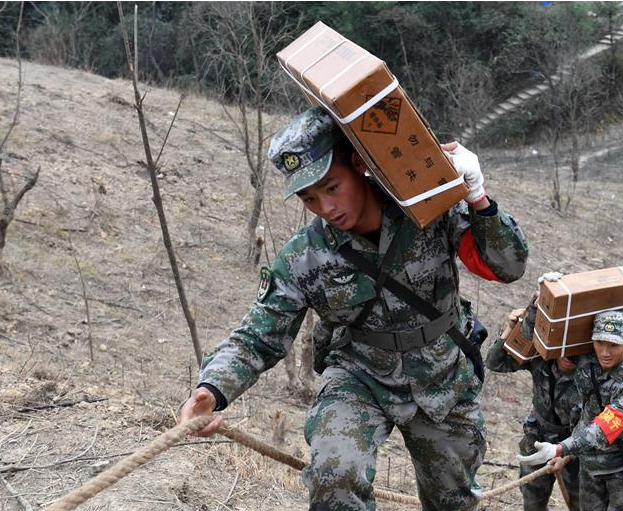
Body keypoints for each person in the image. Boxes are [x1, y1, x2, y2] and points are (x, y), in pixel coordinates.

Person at [178, 106, 529, 511]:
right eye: (310, 198)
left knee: (453, 502)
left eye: (331, 187)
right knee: (336, 473)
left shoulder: (427, 209)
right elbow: (258, 336)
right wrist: (212, 389)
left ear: (359, 164)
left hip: (442, 378)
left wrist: (477, 197)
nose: (326, 207)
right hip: (360, 376)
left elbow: (508, 266)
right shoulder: (304, 256)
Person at [518, 310, 623, 511]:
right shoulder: (586, 358)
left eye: (613, 345)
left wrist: (561, 448)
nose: (605, 352)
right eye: (600, 343)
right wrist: (535, 307)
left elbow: (607, 424)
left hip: (622, 464)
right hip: (589, 462)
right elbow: (538, 340)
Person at [485, 300, 580, 511]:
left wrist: (566, 454)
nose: (569, 358)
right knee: (533, 503)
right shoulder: (541, 356)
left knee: (582, 504)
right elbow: (495, 362)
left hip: (577, 447)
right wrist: (512, 328)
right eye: (565, 350)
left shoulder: (591, 370)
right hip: (537, 438)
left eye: (575, 354)